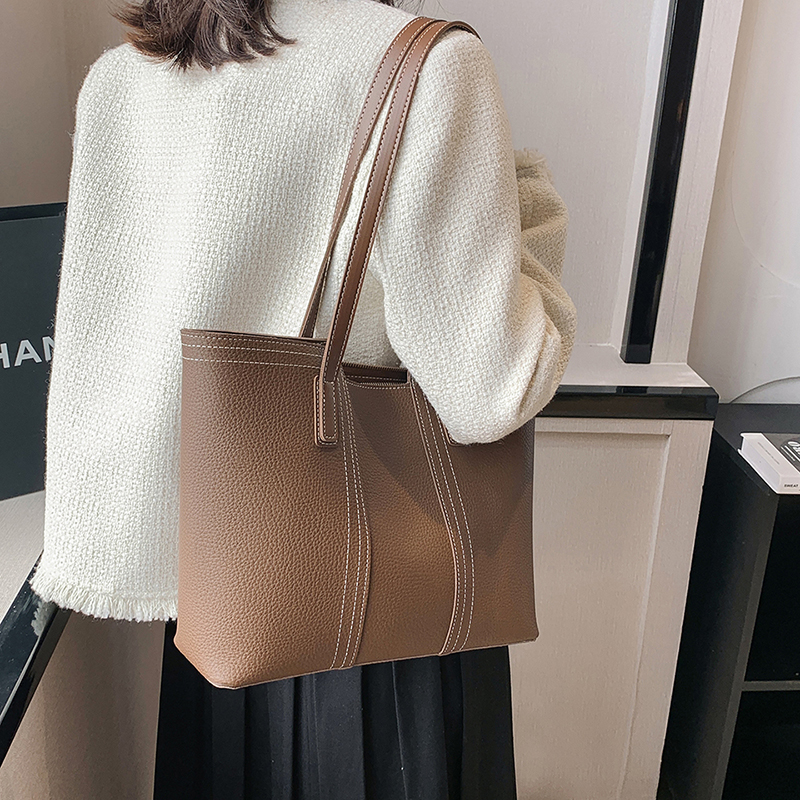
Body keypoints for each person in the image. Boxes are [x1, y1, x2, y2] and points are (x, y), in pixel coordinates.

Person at [30, 0, 578, 797]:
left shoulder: (123, 77)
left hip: (221, 604)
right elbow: (494, 388)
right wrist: (530, 203)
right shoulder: (425, 62)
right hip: (380, 607)